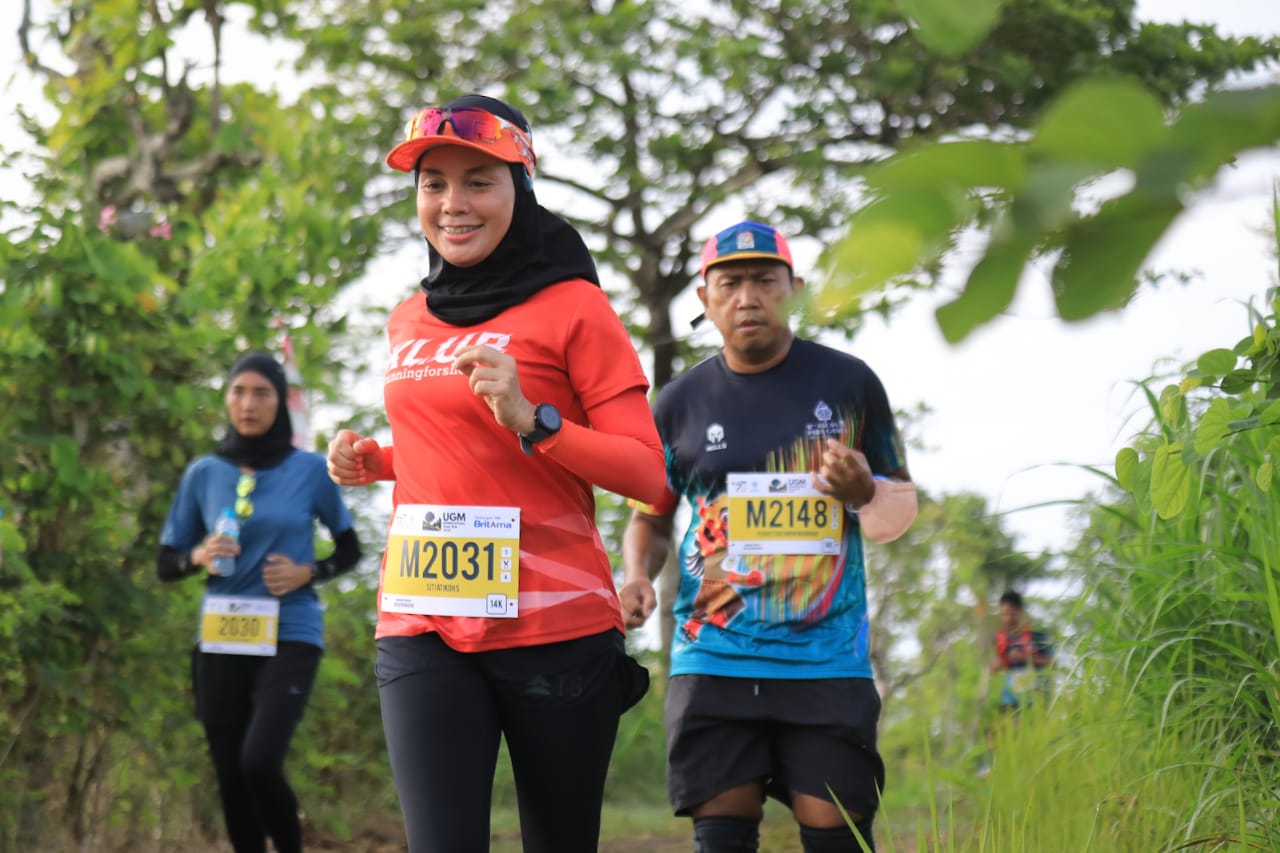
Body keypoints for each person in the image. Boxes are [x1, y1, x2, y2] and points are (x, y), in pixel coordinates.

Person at [325, 93, 666, 852]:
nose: (453, 203)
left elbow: (650, 475)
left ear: (522, 185)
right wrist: (378, 461)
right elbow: (454, 449)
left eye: (479, 180)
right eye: (434, 183)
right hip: (422, 621)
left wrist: (535, 421)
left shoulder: (576, 308)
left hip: (556, 628)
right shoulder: (407, 316)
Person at [619, 220, 917, 853]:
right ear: (705, 298)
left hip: (826, 658)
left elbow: (898, 503)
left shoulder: (850, 385)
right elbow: (650, 515)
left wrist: (863, 490)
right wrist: (637, 574)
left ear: (795, 290)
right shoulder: (678, 402)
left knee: (838, 839)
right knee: (721, 840)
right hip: (714, 656)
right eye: (729, 283)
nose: (747, 298)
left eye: (764, 281)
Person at [157, 352, 362, 853]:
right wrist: (198, 555)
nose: (248, 403)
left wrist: (309, 571)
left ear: (281, 401)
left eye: (261, 393)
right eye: (238, 392)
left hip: (290, 632)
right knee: (230, 774)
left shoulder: (310, 469)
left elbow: (350, 549)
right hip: (221, 634)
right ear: (226, 398)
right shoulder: (204, 473)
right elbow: (166, 563)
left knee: (260, 761)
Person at [990, 590, 1055, 711]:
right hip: (1010, 698)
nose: (1008, 619)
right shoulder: (1001, 640)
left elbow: (1053, 662)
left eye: (1011, 614)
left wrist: (1024, 657)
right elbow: (997, 665)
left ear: (1019, 611)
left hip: (1036, 697)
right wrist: (996, 666)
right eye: (1004, 614)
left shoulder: (1037, 636)